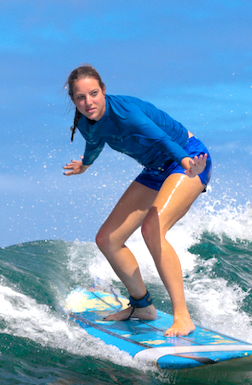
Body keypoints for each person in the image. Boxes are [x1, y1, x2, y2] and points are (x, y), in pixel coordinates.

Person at [61, 64, 211, 337]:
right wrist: (85, 164)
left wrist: (188, 162)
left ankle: (183, 317)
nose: (88, 102)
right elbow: (94, 144)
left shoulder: (127, 114)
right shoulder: (85, 123)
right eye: (81, 97)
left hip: (187, 159)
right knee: (107, 239)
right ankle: (142, 305)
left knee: (153, 229)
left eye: (93, 93)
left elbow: (164, 140)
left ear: (104, 91)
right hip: (155, 171)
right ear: (74, 100)